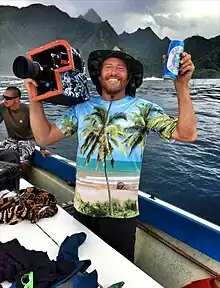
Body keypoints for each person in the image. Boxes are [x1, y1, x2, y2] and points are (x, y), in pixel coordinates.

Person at [24, 47, 196, 262]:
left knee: (117, 272)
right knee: (81, 267)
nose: (114, 72)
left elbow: (186, 134)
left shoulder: (144, 109)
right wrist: (34, 99)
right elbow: (45, 137)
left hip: (121, 216)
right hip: (82, 208)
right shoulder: (82, 109)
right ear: (99, 74)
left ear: (129, 76)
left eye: (120, 68)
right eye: (108, 67)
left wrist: (181, 85)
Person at [0, 86, 50, 164]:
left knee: (20, 160)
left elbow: (38, 129)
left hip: (27, 141)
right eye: (4, 97)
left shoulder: (28, 110)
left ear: (17, 100)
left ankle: (21, 175)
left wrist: (42, 148)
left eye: (8, 98)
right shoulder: (2, 107)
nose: (5, 100)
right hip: (11, 139)